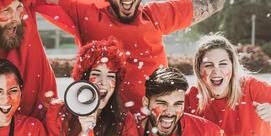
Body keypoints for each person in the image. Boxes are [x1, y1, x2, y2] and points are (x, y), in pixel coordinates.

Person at [42, 0, 225, 114]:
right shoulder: (85, 13)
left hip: (154, 121)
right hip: (102, 122)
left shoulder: (155, 15)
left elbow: (215, 3)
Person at [45, 38, 142, 136]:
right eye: (96, 74)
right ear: (83, 78)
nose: (103, 83)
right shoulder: (59, 113)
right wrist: (84, 133)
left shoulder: (124, 120)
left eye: (110, 76)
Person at [185, 34, 271, 136]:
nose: (216, 71)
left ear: (232, 67)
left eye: (223, 63)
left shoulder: (251, 87)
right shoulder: (192, 98)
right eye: (208, 65)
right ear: (199, 69)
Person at [0, 0, 57, 120]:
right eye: (6, 10)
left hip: (45, 130)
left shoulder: (23, 15)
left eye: (18, 8)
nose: (16, 19)